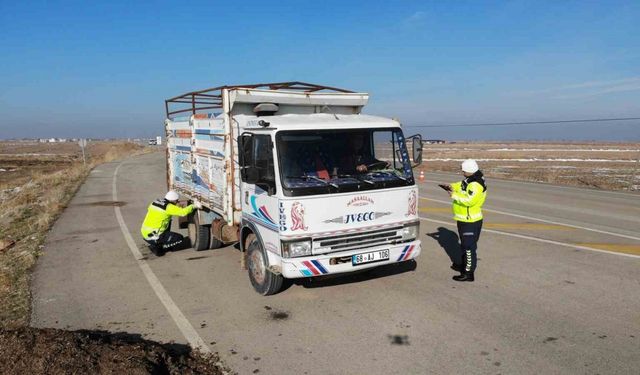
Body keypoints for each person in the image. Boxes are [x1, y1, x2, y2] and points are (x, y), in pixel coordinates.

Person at [446, 159, 487, 282]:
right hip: (463, 219)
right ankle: (464, 265)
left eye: (463, 170)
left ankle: (469, 273)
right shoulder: (470, 179)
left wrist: (454, 195)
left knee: (469, 247)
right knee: (465, 245)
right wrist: (451, 186)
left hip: (470, 221)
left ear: (469, 170)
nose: (462, 172)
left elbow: (470, 200)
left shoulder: (476, 184)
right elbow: (461, 185)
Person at [140, 190, 200, 256]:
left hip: (145, 232)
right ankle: (159, 247)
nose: (177, 202)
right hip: (154, 235)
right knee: (179, 238)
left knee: (168, 220)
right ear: (173, 200)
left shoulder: (155, 202)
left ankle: (158, 243)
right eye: (176, 201)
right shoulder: (168, 207)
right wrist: (194, 206)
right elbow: (182, 212)